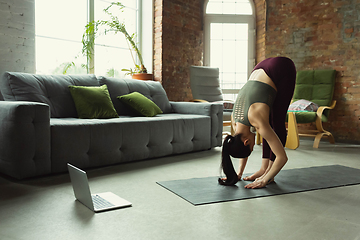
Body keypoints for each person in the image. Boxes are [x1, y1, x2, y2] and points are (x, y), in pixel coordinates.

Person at [218, 56, 296, 189]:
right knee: (267, 127)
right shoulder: (235, 122)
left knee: (276, 122)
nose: (253, 145)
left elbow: (282, 157)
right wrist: (239, 174)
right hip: (260, 68)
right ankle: (264, 169)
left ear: (246, 142)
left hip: (281, 67)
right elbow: (241, 142)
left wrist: (265, 179)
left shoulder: (256, 118)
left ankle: (268, 172)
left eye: (252, 147)